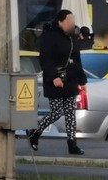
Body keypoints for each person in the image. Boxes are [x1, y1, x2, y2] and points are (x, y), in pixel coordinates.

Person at [28, 9, 88, 156]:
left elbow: (77, 59)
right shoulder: (49, 36)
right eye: (70, 21)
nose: (72, 24)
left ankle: (72, 145)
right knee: (56, 112)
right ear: (60, 22)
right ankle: (35, 133)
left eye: (73, 22)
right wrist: (53, 77)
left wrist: (82, 80)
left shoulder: (72, 37)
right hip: (54, 79)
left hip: (71, 78)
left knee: (70, 113)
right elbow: (45, 59)